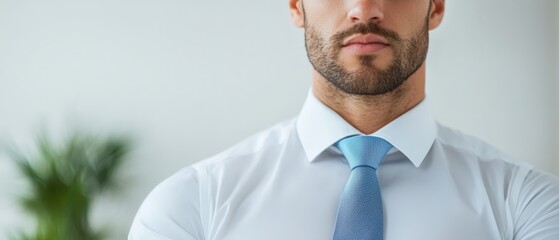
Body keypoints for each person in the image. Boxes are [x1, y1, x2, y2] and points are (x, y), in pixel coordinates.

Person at [129, 0, 559, 239]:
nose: (364, 9)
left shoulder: (529, 208)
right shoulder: (188, 209)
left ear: (437, 6)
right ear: (297, 5)